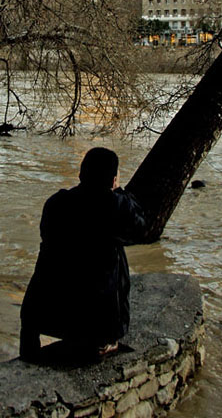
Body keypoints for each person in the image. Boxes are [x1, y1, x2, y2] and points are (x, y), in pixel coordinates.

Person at [20, 147, 147, 362]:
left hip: (45, 314)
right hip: (94, 319)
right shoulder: (115, 206)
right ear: (112, 179)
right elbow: (141, 228)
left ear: (81, 174)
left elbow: (46, 233)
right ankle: (104, 342)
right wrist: (120, 192)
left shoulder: (56, 203)